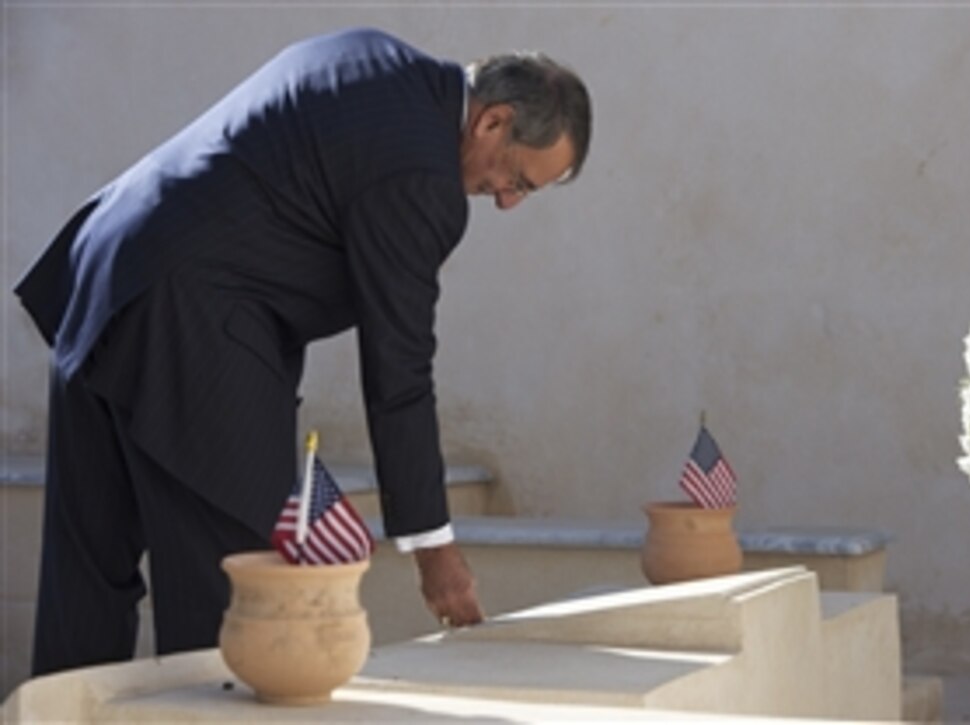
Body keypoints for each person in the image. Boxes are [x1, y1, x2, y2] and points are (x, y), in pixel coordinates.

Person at [16, 27, 591, 677]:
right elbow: (399, 365)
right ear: (493, 121)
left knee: (87, 570)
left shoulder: (369, 55)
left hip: (105, 271)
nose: (508, 201)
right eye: (516, 178)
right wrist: (435, 550)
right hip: (195, 326)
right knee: (237, 594)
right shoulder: (421, 176)